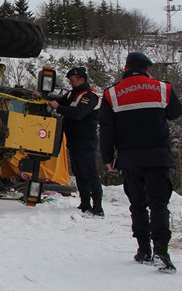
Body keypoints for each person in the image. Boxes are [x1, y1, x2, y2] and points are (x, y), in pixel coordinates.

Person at [99, 52, 181, 273]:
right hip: (158, 156)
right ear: (147, 69)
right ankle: (162, 250)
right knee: (158, 203)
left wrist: (108, 158)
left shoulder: (111, 94)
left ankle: (143, 249)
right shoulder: (163, 88)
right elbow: (175, 113)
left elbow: (106, 129)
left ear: (126, 67)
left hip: (129, 157)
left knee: (137, 203)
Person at [48, 67, 104, 216]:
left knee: (90, 173)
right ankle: (85, 203)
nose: (70, 83)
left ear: (81, 80)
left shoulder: (89, 96)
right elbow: (60, 100)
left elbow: (79, 113)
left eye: (72, 80)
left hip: (86, 141)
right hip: (74, 140)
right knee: (79, 173)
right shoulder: (73, 94)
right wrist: (45, 96)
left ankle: (97, 206)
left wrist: (58, 108)